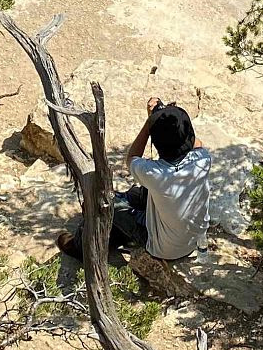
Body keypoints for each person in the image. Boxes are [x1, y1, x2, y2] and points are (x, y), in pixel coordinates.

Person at [57, 98, 211, 263]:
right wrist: (174, 119)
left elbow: (131, 157)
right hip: (191, 241)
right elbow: (196, 142)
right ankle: (118, 231)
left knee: (99, 201)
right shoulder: (203, 159)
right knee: (135, 193)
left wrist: (151, 121)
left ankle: (81, 247)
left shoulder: (154, 173)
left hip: (162, 248)